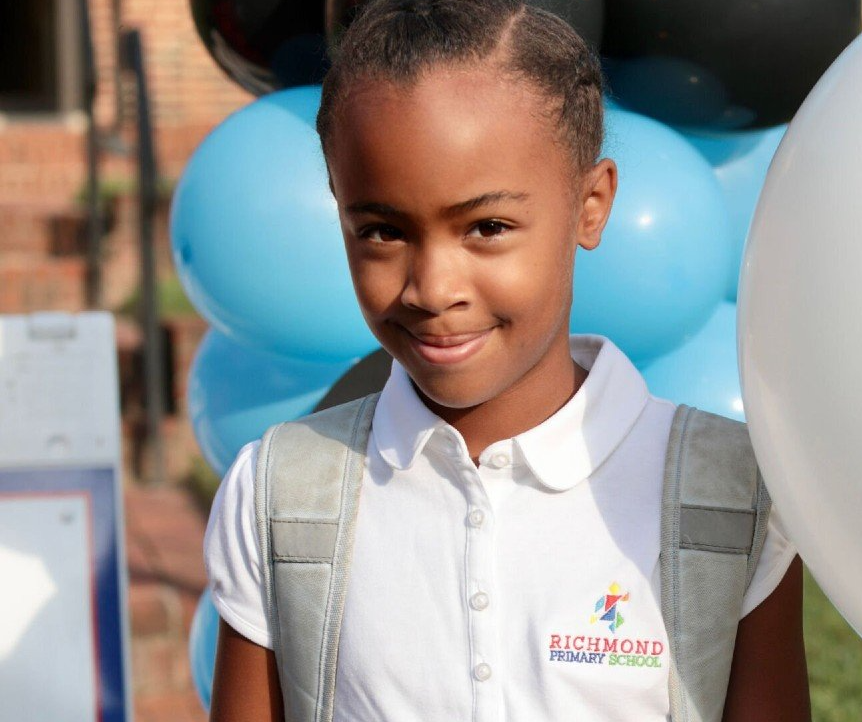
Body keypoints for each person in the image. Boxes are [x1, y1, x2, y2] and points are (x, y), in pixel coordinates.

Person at [202, 0, 810, 719]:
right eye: (382, 231)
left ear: (591, 204)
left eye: (487, 227)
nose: (433, 288)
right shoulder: (279, 496)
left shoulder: (730, 497)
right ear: (339, 204)